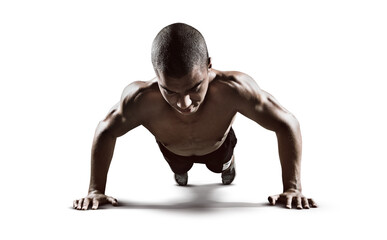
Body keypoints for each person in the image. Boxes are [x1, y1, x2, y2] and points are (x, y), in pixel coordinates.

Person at [73, 23, 317, 210]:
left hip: (219, 146)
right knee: (180, 172)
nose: (184, 103)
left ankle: (227, 164)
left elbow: (287, 123)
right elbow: (106, 129)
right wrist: (95, 190)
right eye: (170, 90)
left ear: (208, 65)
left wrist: (292, 189)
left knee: (219, 166)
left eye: (194, 88)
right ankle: (182, 171)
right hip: (173, 151)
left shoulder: (233, 89)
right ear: (157, 75)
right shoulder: (141, 99)